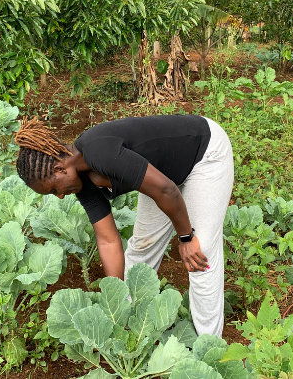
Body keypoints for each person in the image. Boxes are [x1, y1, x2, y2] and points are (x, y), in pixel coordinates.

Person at [14, 114, 233, 337]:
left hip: (204, 153)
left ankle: (209, 343)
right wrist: (115, 299)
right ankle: (127, 326)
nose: (60, 196)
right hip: (163, 176)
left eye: (54, 189)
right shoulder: (81, 183)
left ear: (60, 169)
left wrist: (186, 238)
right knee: (141, 249)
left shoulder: (99, 152)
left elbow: (166, 190)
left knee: (200, 253)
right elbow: (107, 240)